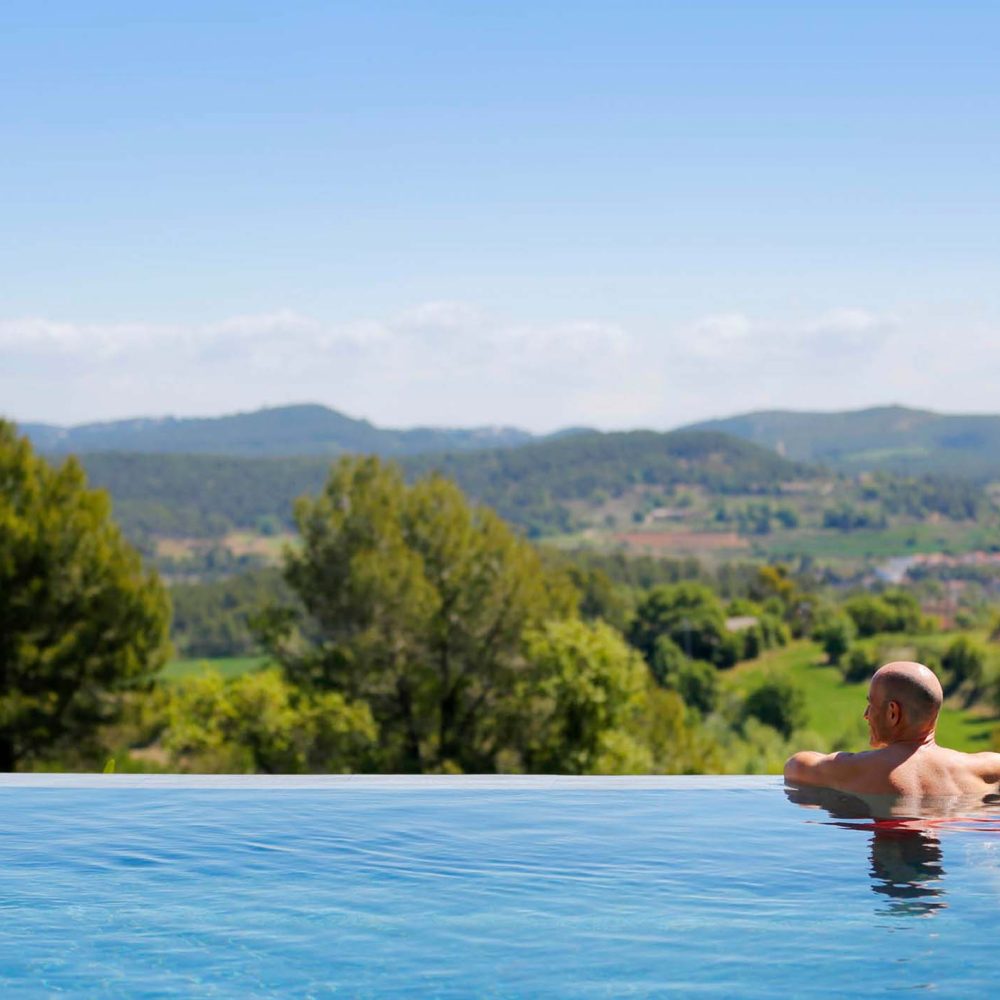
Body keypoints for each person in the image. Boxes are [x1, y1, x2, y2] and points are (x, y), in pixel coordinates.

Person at [784, 660, 1000, 797]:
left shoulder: (857, 769)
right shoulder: (986, 769)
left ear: (892, 713)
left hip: (886, 867)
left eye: (871, 704)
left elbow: (795, 766)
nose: (866, 715)